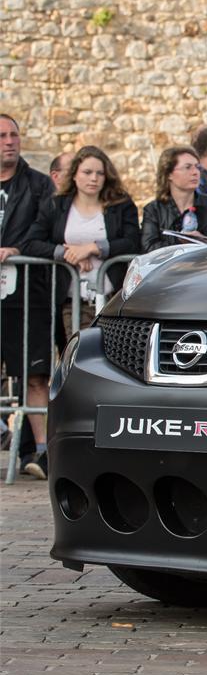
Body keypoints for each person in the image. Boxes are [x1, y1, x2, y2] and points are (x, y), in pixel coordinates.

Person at [23, 145, 140, 338]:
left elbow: (132, 241)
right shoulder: (56, 204)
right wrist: (67, 254)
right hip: (73, 302)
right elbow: (31, 242)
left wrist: (93, 248)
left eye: (99, 173)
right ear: (75, 174)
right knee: (79, 358)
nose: (93, 178)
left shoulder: (121, 204)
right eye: (87, 172)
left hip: (112, 301)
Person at [0, 115, 56, 479]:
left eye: (14, 135)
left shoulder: (38, 186)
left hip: (27, 295)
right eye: (2, 136)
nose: (9, 141)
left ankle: (41, 454)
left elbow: (45, 232)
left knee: (35, 375)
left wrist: (16, 247)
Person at [141, 146, 207, 251]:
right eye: (188, 167)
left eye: (197, 167)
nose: (195, 172)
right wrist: (181, 242)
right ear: (169, 174)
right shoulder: (153, 210)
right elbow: (148, 248)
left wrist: (204, 242)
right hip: (171, 267)